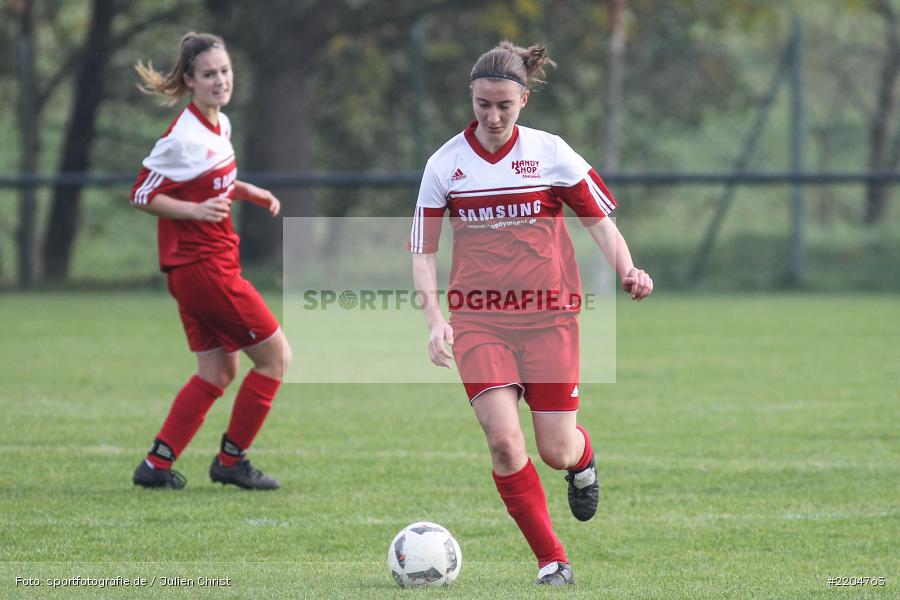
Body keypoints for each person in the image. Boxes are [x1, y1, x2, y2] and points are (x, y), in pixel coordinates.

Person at [410, 41, 653, 585]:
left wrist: (628, 269)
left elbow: (598, 221)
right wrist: (434, 321)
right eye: (481, 105)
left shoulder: (551, 153)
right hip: (479, 321)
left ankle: (582, 459)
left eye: (504, 106)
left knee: (555, 449)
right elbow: (422, 251)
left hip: (549, 318)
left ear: (524, 99)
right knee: (503, 441)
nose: (492, 117)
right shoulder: (445, 164)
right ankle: (552, 560)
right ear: (470, 99)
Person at [129, 32, 292, 490]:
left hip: (198, 269)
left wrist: (246, 190)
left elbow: (207, 181)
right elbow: (142, 194)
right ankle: (230, 461)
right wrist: (194, 212)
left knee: (218, 371)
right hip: (205, 269)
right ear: (190, 81)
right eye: (209, 74)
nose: (220, 80)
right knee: (276, 359)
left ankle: (156, 465)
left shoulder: (220, 125)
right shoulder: (182, 137)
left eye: (225, 71)